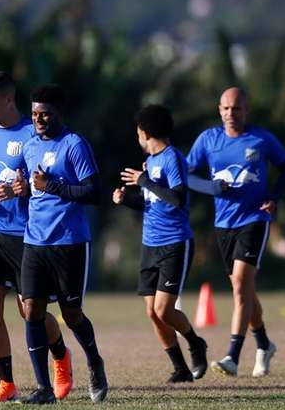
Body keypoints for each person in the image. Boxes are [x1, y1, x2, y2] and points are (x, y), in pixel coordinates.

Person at [0, 71, 72, 403]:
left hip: (26, 235)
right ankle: (6, 382)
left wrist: (22, 190)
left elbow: (43, 182)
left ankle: (61, 357)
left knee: (29, 310)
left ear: (9, 99)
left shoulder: (32, 135)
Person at [187, 87, 285, 377]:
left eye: (236, 108)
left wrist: (275, 198)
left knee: (239, 287)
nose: (230, 114)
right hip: (223, 225)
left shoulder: (262, 139)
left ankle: (232, 357)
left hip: (255, 219)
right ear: (218, 110)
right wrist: (211, 187)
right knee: (243, 288)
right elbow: (186, 175)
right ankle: (264, 344)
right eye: (225, 108)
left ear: (246, 110)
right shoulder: (208, 140)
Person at [18, 83, 108, 404]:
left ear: (58, 113)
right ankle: (43, 389)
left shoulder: (74, 145)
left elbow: (93, 192)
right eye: (34, 114)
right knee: (32, 311)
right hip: (34, 241)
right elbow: (31, 187)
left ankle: (94, 362)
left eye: (45, 114)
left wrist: (51, 185)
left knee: (71, 315)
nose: (39, 120)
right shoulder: (29, 146)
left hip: (69, 243)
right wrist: (22, 188)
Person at [112, 104, 208, 383]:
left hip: (175, 243)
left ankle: (195, 342)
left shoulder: (172, 158)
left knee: (163, 309)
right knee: (152, 313)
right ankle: (180, 369)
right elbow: (152, 202)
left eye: (137, 132)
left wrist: (144, 180)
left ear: (144, 132)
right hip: (149, 244)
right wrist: (126, 199)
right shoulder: (151, 163)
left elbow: (177, 198)